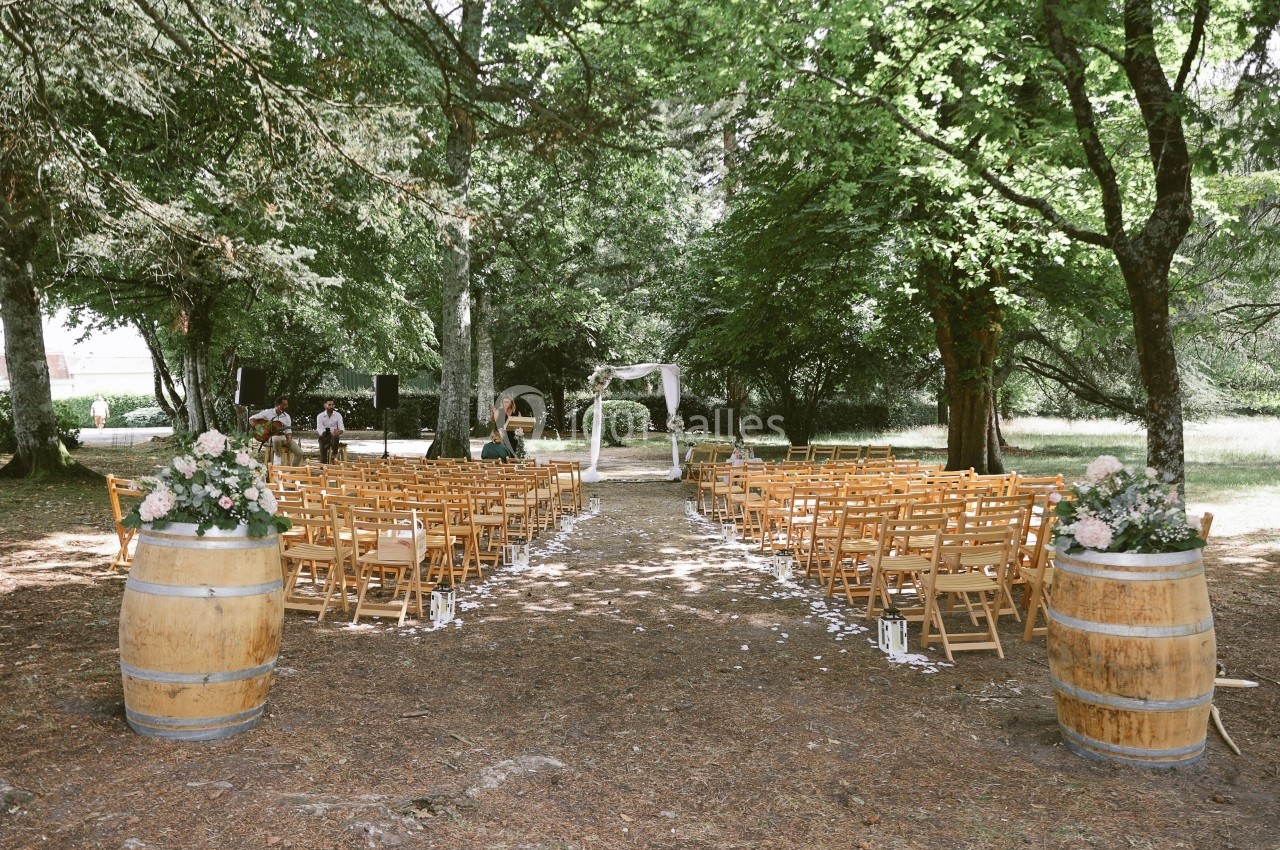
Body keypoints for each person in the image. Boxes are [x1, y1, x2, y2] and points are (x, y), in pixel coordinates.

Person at [249, 396, 303, 465]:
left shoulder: (287, 416)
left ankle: (293, 473)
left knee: (300, 453)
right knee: (276, 438)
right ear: (279, 406)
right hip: (271, 437)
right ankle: (277, 456)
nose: (287, 406)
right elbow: (251, 419)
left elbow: (288, 430)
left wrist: (289, 437)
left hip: (284, 437)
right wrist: (261, 428)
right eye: (285, 404)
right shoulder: (268, 412)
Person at [316, 399, 345, 464]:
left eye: (332, 405)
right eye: (329, 405)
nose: (331, 406)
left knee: (335, 435)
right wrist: (325, 433)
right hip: (324, 437)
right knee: (323, 460)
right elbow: (320, 429)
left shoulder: (338, 415)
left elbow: (341, 428)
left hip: (334, 437)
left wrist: (338, 432)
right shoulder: (320, 416)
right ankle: (323, 469)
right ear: (325, 406)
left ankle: (334, 454)